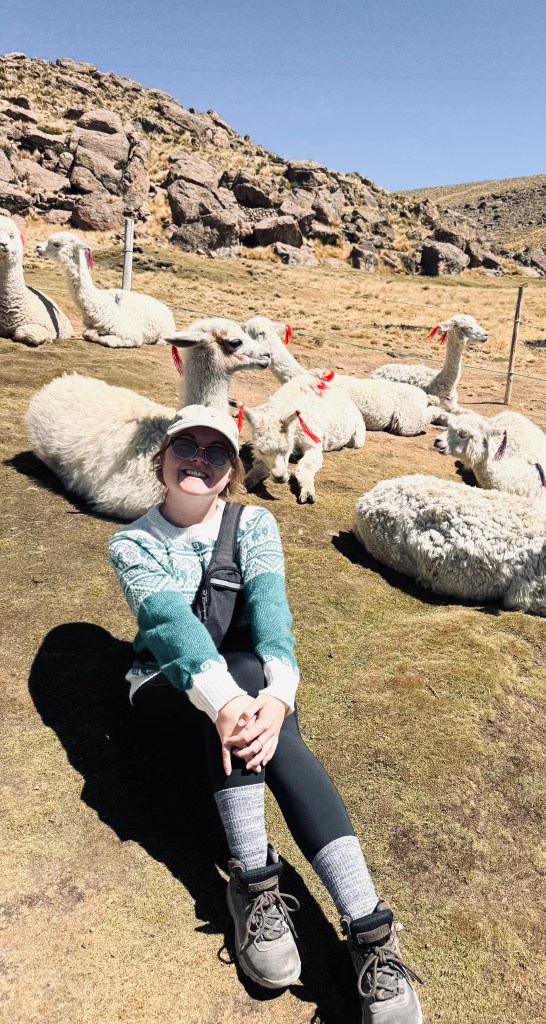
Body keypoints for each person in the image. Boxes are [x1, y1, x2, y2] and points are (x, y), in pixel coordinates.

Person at [108, 404, 422, 1024]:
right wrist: (226, 704)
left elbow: (272, 617)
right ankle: (264, 885)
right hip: (166, 688)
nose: (199, 460)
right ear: (161, 459)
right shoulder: (132, 543)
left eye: (216, 452)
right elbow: (172, 630)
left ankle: (361, 925)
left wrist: (277, 698)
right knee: (241, 682)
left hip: (248, 689)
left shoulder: (254, 526)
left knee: (255, 674)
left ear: (232, 470)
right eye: (186, 447)